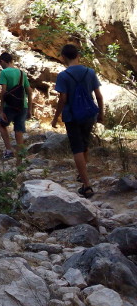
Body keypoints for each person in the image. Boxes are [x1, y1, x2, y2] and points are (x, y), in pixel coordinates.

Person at [52, 44, 105, 198]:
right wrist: (101, 114)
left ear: (63, 57)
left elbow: (63, 99)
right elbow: (99, 96)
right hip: (89, 114)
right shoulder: (90, 72)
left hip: (72, 115)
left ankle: (87, 185)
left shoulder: (63, 76)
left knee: (77, 148)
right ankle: (82, 173)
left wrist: (56, 118)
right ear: (78, 55)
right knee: (85, 144)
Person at [0, 52, 34, 160]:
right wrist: (30, 109)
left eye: (1, 63)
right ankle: (21, 155)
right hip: (23, 105)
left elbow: (3, 92)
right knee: (19, 130)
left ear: (3, 61)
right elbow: (29, 91)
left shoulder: (4, 73)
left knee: (1, 124)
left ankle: (9, 150)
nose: (1, 65)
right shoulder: (22, 73)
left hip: (10, 105)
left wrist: (1, 110)